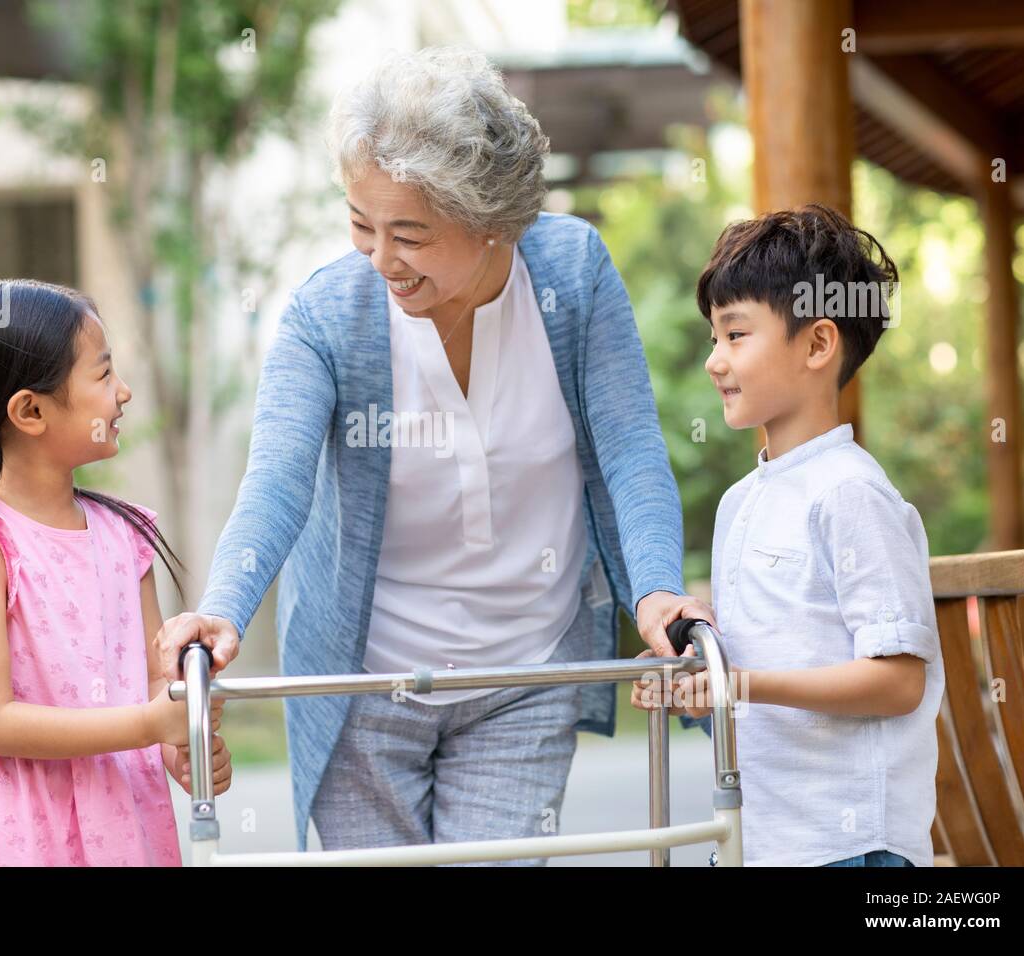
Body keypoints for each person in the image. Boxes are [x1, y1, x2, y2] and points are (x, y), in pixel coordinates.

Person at [154, 47, 714, 864]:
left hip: (525, 671)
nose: (380, 258)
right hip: (361, 684)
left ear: (492, 219)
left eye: (409, 234)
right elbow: (276, 481)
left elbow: (628, 447)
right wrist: (224, 606)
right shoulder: (326, 317)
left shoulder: (571, 275)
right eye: (360, 225)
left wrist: (658, 587)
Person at [632, 204, 944, 867]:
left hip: (848, 846)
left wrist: (741, 684)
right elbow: (755, 684)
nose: (715, 361)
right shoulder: (741, 503)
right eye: (714, 337)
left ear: (817, 344)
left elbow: (898, 684)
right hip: (758, 841)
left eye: (736, 335)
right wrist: (698, 683)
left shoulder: (851, 494)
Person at [0, 279, 231, 866]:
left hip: (126, 820)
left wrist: (179, 745)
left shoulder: (125, 535)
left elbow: (154, 680)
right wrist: (148, 725)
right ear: (30, 410)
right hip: (22, 832)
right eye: (103, 375)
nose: (123, 392)